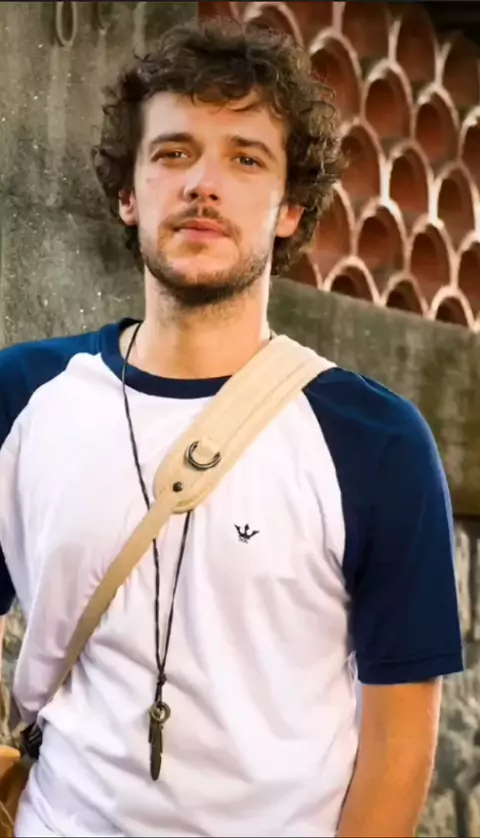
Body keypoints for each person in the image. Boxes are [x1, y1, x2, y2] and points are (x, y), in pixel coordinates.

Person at [0, 16, 462, 838]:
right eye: (173, 153)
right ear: (129, 194)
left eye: (245, 159)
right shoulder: (25, 396)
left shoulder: (375, 442)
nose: (202, 185)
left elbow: (399, 738)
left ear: (290, 208)